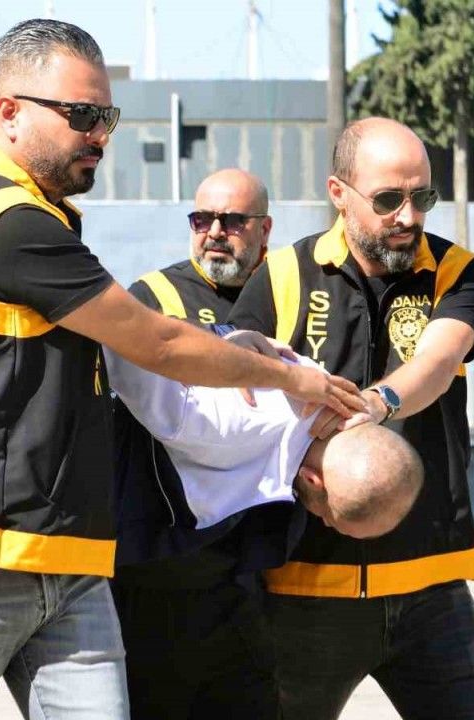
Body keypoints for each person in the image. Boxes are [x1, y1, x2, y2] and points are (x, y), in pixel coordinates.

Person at [0, 19, 363, 720]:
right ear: (9, 112)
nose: (99, 134)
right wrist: (293, 379)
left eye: (106, 117)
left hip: (64, 561)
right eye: (81, 115)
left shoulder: (23, 213)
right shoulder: (12, 224)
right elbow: (154, 342)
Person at [228, 116, 474, 719]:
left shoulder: (455, 270)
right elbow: (238, 372)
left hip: (430, 586)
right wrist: (240, 353)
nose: (408, 216)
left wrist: (377, 403)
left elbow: (438, 359)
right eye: (388, 199)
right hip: (302, 590)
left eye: (422, 197)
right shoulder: (283, 274)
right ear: (339, 193)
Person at [110, 168, 280, 719]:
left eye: (232, 220)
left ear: (264, 228)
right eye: (201, 219)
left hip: (253, 570)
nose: (214, 233)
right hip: (165, 568)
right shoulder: (153, 297)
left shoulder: (285, 292)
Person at [106, 346, 422, 542]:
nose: (324, 524)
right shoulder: (222, 425)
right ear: (313, 480)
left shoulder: (313, 377)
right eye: (331, 520)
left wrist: (219, 339)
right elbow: (121, 345)